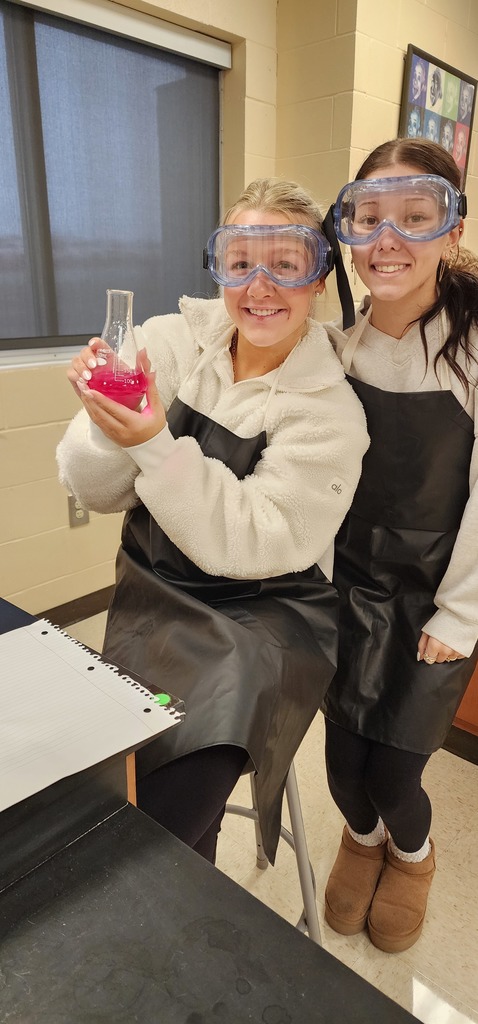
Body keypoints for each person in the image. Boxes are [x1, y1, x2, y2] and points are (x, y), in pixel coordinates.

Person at [56, 177, 369, 867]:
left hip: (263, 618)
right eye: (240, 260)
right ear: (219, 266)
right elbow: (93, 487)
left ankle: (169, 894)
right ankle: (191, 877)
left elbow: (253, 538)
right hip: (154, 591)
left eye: (286, 264)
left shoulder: (330, 412)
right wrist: (110, 431)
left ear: (318, 278)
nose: (260, 284)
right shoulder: (169, 343)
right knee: (122, 771)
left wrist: (150, 441)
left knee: (151, 829)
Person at [324, 138, 478, 953]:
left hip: (435, 601)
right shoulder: (339, 347)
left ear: (451, 231)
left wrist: (462, 613)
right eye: (368, 217)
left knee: (394, 772)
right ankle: (363, 840)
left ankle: (411, 856)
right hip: (345, 590)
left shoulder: (471, 351)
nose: (388, 239)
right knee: (343, 766)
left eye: (416, 217)